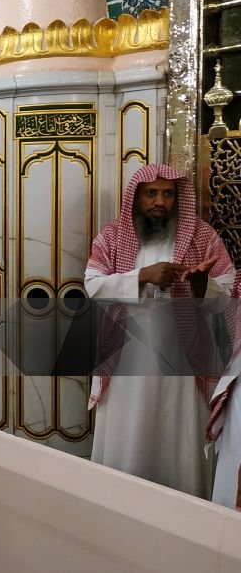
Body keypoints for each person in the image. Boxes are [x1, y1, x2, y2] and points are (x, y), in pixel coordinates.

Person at [84, 164, 236, 497]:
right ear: (136, 197)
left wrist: (200, 285)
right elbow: (92, 286)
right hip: (126, 356)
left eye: (168, 193)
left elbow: (227, 294)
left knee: (177, 433)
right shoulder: (112, 236)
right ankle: (118, 503)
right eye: (151, 193)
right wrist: (142, 276)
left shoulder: (202, 236)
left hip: (183, 356)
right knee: (128, 434)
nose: (160, 201)